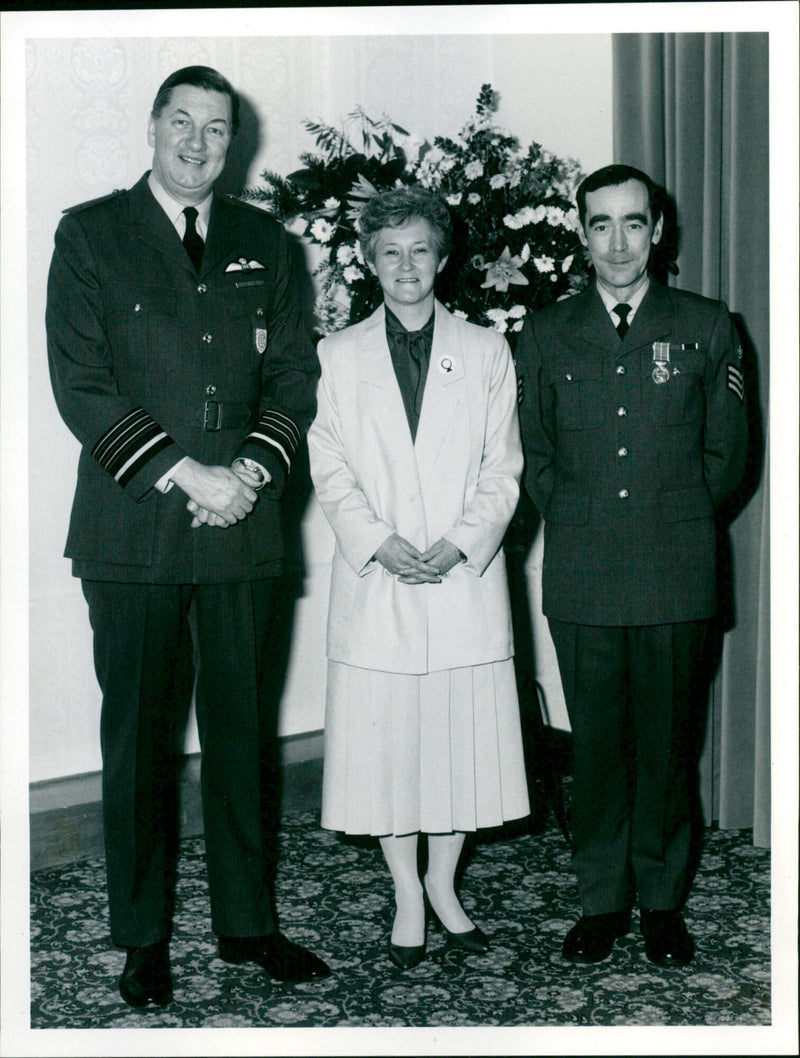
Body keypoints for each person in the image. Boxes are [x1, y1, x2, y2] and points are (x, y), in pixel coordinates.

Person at [46, 65, 330, 1007]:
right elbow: (81, 383)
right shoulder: (91, 233)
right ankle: (143, 936)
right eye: (183, 122)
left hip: (243, 530)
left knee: (246, 739)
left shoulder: (267, 243)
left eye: (217, 128)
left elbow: (294, 378)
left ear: (233, 143)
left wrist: (248, 471)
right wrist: (187, 473)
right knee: (141, 743)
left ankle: (248, 924)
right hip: (135, 531)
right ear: (155, 127)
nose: (199, 143)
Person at [514, 164, 748, 967]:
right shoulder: (544, 333)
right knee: (598, 748)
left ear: (659, 232)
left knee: (667, 744)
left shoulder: (708, 325)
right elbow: (536, 457)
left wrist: (667, 518)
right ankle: (601, 900)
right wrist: (587, 520)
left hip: (677, 571)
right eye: (601, 224)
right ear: (582, 233)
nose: (618, 241)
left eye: (634, 223)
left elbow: (728, 457)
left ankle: (661, 902)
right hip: (583, 574)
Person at [307, 187, 530, 970]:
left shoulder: (485, 350)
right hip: (380, 582)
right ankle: (406, 891)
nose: (407, 266)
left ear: (443, 258)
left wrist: (463, 544)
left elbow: (504, 468)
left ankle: (444, 884)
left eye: (421, 250)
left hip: (463, 580)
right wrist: (377, 541)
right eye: (390, 251)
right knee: (391, 747)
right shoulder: (336, 355)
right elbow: (328, 465)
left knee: (457, 745)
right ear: (370, 261)